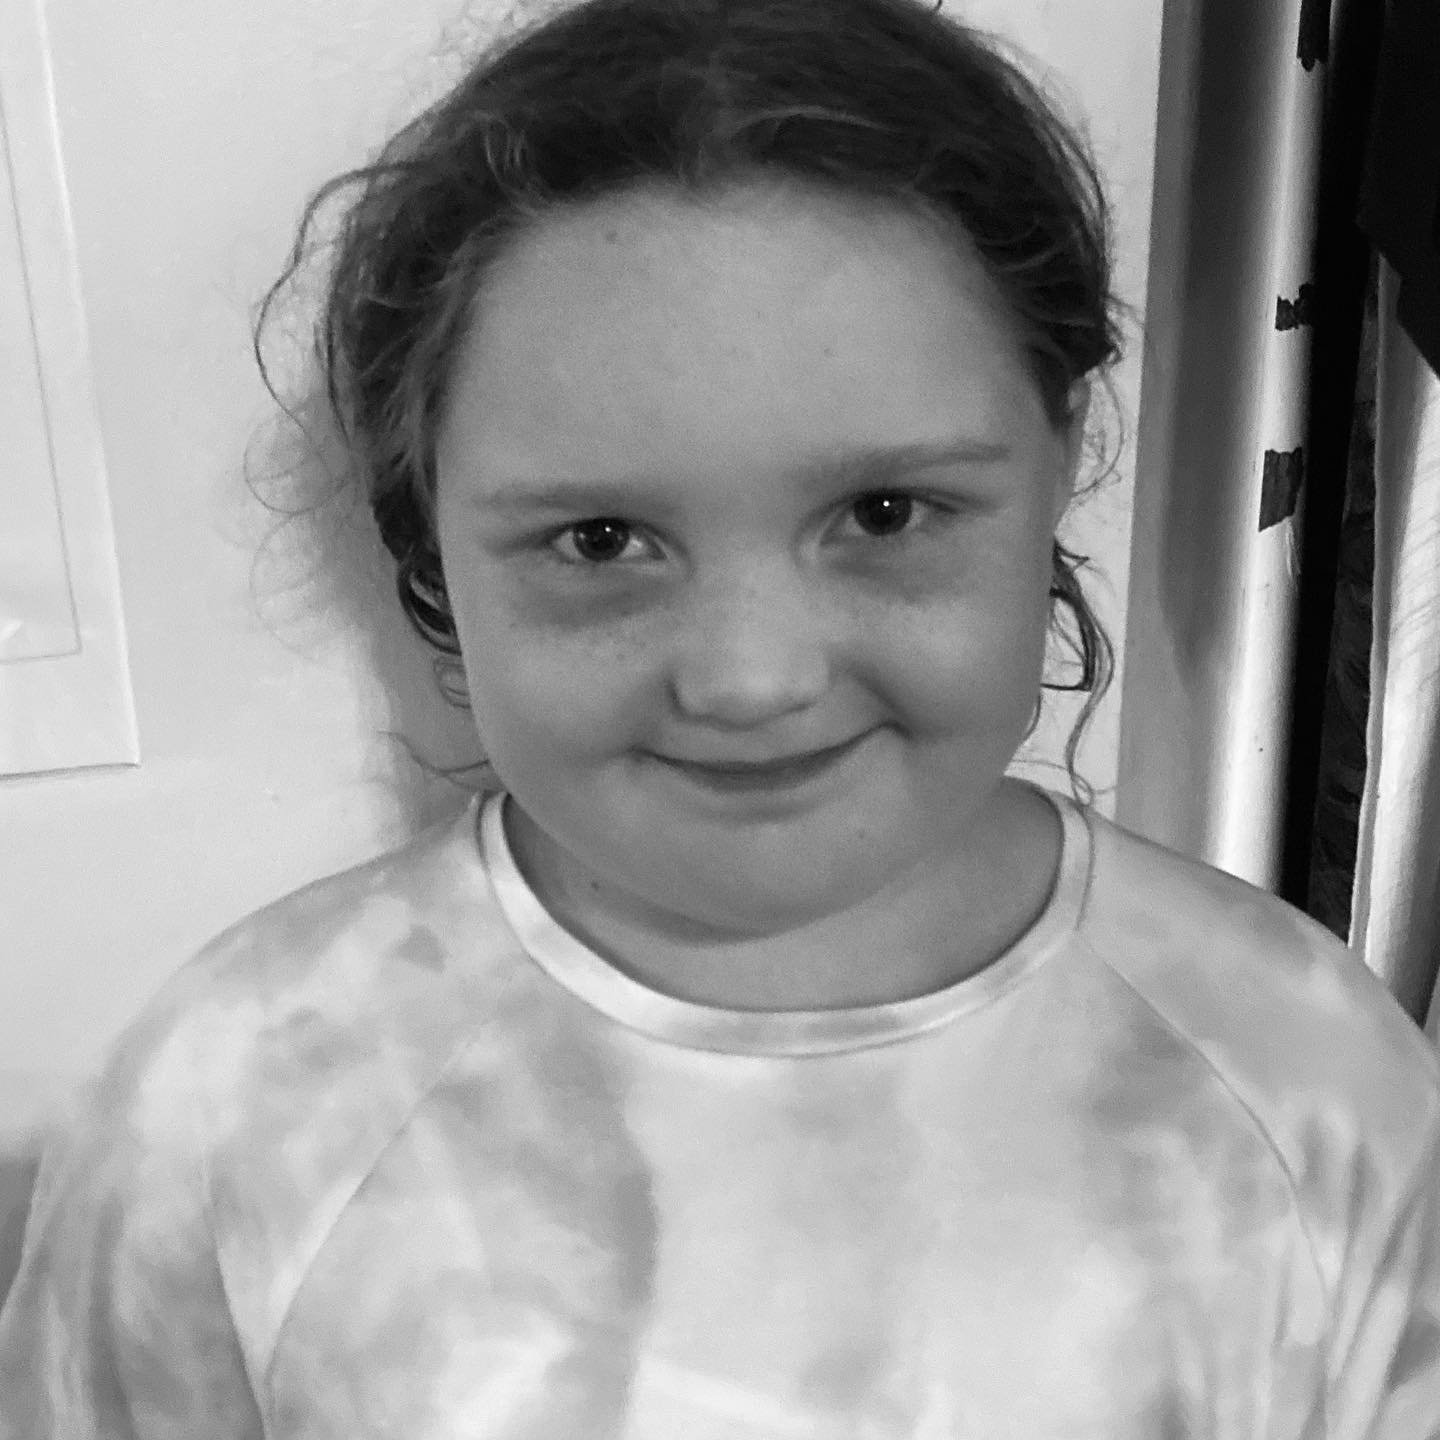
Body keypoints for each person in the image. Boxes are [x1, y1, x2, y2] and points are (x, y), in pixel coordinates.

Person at [3, 0, 1439, 1433]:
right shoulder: (234, 1111)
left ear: (1059, 455)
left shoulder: (1308, 1078)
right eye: (601, 541)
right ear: (427, 524)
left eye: (884, 513)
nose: (751, 680)